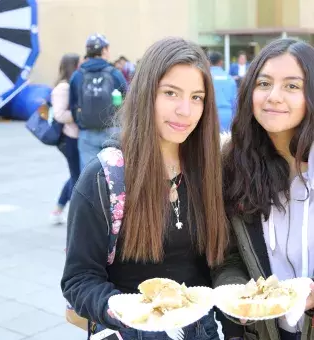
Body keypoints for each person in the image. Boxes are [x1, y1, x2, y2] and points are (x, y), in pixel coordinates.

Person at [61, 37, 233, 340]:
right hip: (129, 331)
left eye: (197, 97)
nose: (185, 110)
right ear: (145, 94)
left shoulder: (210, 169)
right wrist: (121, 311)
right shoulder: (106, 177)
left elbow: (219, 263)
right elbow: (79, 279)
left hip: (200, 331)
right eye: (170, 93)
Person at [213, 38, 314, 340]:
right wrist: (235, 298)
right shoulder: (233, 165)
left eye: (292, 86)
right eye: (264, 83)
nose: (274, 97)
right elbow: (227, 256)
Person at [69, 33, 127, 171]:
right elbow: (127, 99)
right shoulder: (114, 73)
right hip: (113, 130)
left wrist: (80, 122)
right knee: (116, 174)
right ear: (104, 50)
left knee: (89, 175)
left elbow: (72, 104)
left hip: (87, 131)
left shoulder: (78, 75)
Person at [50, 53, 80, 224]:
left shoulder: (70, 85)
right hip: (71, 137)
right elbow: (60, 115)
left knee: (76, 174)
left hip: (75, 136)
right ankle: (65, 212)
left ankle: (58, 209)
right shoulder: (63, 88)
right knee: (77, 176)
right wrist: (79, 115)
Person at [209, 51, 237, 132]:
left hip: (209, 115)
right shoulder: (230, 79)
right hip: (227, 116)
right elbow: (235, 102)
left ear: (209, 62)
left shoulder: (206, 78)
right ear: (221, 62)